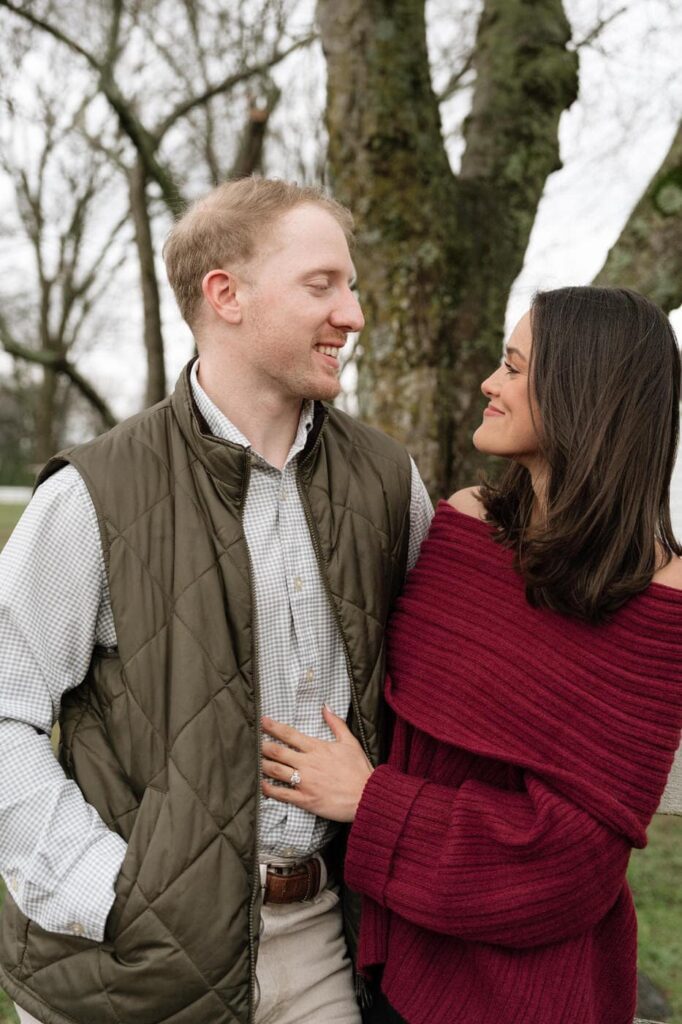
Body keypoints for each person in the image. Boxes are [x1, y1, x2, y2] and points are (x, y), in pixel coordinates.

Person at [0, 177, 433, 1024]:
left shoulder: (388, 481)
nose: (352, 315)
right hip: (131, 968)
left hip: (327, 951)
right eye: (322, 285)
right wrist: (103, 889)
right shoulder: (94, 492)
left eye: (351, 286)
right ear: (226, 295)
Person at [260, 286, 682, 1024]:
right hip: (394, 964)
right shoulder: (463, 527)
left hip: (531, 994)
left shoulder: (662, 602)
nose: (490, 383)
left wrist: (372, 802)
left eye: (514, 369)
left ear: (582, 394)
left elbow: (573, 863)